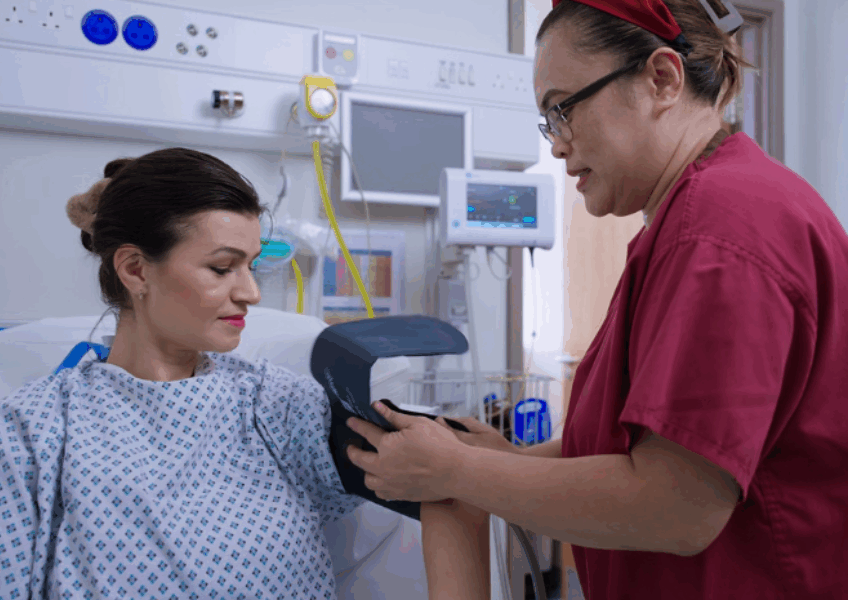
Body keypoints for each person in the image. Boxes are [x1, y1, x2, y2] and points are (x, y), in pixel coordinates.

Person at [344, 0, 848, 598]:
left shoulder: (720, 232)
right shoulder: (694, 219)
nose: (557, 146)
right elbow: (631, 446)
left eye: (563, 110)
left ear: (661, 79)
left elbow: (678, 505)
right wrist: (508, 461)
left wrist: (459, 471)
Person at [0, 147, 473, 600]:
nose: (251, 292)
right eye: (222, 268)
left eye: (252, 265)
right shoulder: (26, 436)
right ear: (135, 269)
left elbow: (444, 487)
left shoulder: (280, 406)